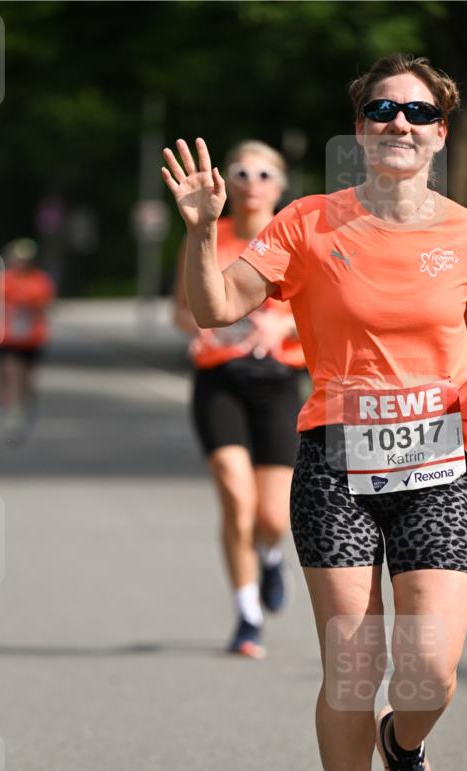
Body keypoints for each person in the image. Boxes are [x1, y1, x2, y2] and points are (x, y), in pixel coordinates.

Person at [162, 53, 467, 771]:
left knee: (430, 667)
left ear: (438, 134)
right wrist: (195, 230)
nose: (400, 123)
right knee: (352, 665)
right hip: (336, 461)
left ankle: (404, 745)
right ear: (359, 129)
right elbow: (215, 309)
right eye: (383, 110)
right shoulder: (305, 223)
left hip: (439, 459)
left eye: (418, 113)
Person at [173, 141, 307, 659]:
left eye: (264, 172)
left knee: (272, 517)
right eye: (241, 171)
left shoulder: (298, 236)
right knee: (235, 496)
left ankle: (271, 555)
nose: (252, 181)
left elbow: (324, 302)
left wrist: (281, 321)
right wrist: (204, 329)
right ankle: (247, 616)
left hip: (278, 381)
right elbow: (182, 310)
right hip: (220, 379)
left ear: (280, 184)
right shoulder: (207, 235)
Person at [0, 238, 55, 444]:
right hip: (8, 337)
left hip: (31, 337)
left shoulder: (39, 280)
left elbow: (46, 304)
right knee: (11, 374)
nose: (22, 263)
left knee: (27, 379)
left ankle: (23, 406)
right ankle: (13, 415)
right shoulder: (3, 280)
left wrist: (30, 305)